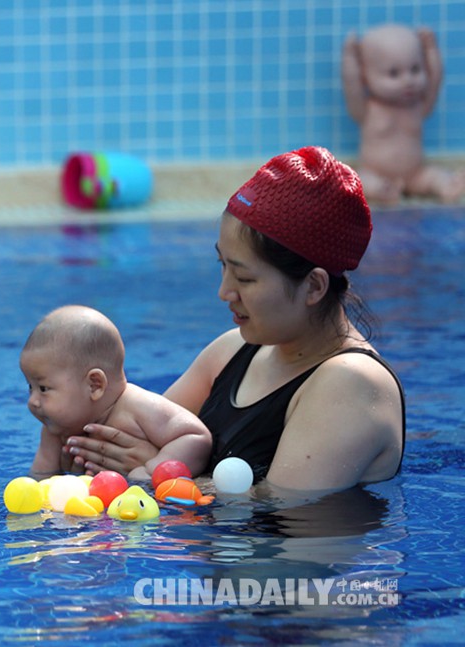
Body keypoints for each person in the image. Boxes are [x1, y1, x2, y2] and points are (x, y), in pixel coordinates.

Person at [64, 146, 405, 492]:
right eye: (223, 266)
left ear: (314, 286)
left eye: (245, 278)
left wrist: (157, 474)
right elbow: (119, 437)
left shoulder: (352, 384)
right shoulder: (229, 352)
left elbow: (286, 506)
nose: (224, 291)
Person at [20, 304, 211, 480]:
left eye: (43, 388)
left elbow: (194, 437)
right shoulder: (56, 429)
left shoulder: (138, 407)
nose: (32, 401)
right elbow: (40, 478)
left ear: (94, 385)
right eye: (30, 387)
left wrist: (152, 472)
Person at [341, 23, 465, 204]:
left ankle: (448, 185)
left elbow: (435, 81)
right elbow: (351, 86)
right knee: (358, 179)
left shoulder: (418, 107)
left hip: (415, 174)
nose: (408, 81)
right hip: (374, 172)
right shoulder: (366, 110)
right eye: (393, 73)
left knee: (433, 175)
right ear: (365, 77)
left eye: (415, 69)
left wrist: (431, 50)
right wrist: (349, 58)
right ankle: (381, 190)